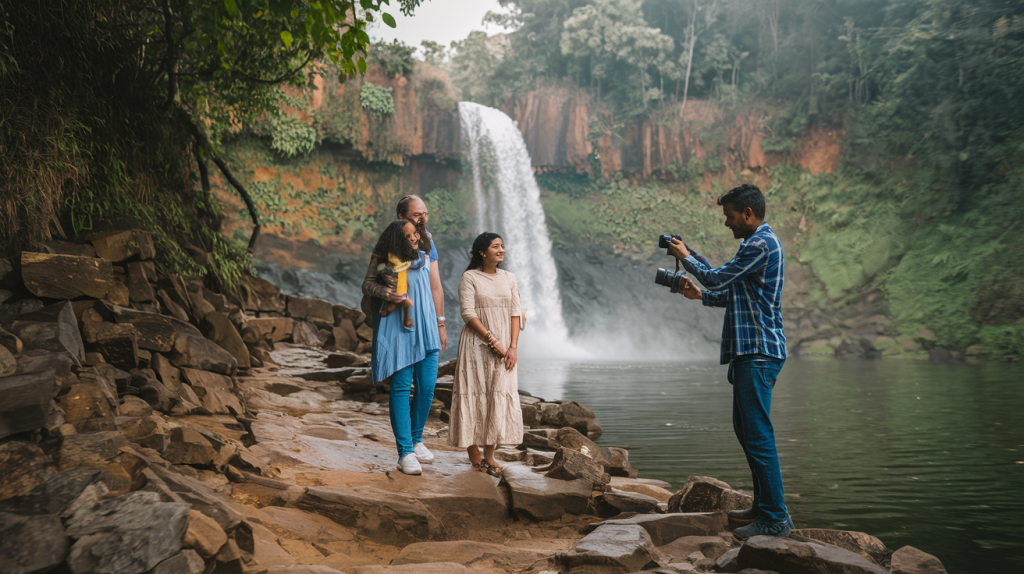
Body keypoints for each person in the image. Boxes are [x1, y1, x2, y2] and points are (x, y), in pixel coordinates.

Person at [667, 183, 792, 539]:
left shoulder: (760, 243)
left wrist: (686, 256)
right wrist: (701, 296)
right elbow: (731, 293)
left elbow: (717, 276)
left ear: (748, 214)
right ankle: (763, 506)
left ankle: (776, 518)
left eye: (730, 216)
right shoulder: (756, 245)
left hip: (758, 351)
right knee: (747, 432)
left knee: (758, 436)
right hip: (749, 352)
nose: (727, 223)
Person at [362, 219, 441, 476]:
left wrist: (441, 323)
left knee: (428, 386)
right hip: (399, 326)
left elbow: (435, 287)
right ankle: (404, 452)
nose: (416, 235)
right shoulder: (384, 257)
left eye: (417, 232)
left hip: (426, 324)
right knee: (401, 387)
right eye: (410, 232)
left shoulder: (426, 252)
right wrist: (388, 295)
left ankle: (416, 440)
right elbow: (368, 285)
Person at [448, 233, 523, 476]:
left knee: (497, 397)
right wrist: (492, 341)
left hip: (504, 348)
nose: (501, 250)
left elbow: (516, 313)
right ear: (482, 252)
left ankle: (490, 455)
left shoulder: (509, 278)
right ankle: (475, 456)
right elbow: (468, 313)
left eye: (502, 246)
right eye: (495, 246)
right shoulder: (469, 277)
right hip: (476, 345)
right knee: (474, 394)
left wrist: (511, 347)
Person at [396, 195, 448, 352]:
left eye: (425, 214)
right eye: (417, 215)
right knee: (402, 375)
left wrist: (440, 324)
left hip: (427, 321)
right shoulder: (390, 243)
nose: (422, 219)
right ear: (401, 217)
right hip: (399, 322)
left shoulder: (428, 243)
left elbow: (436, 286)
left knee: (428, 374)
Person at [374, 220, 419, 330]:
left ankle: (392, 306)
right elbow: (402, 265)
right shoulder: (394, 256)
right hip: (395, 285)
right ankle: (406, 319)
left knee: (403, 301)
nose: (413, 238)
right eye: (408, 236)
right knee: (407, 303)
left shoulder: (400, 253)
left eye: (415, 234)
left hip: (400, 284)